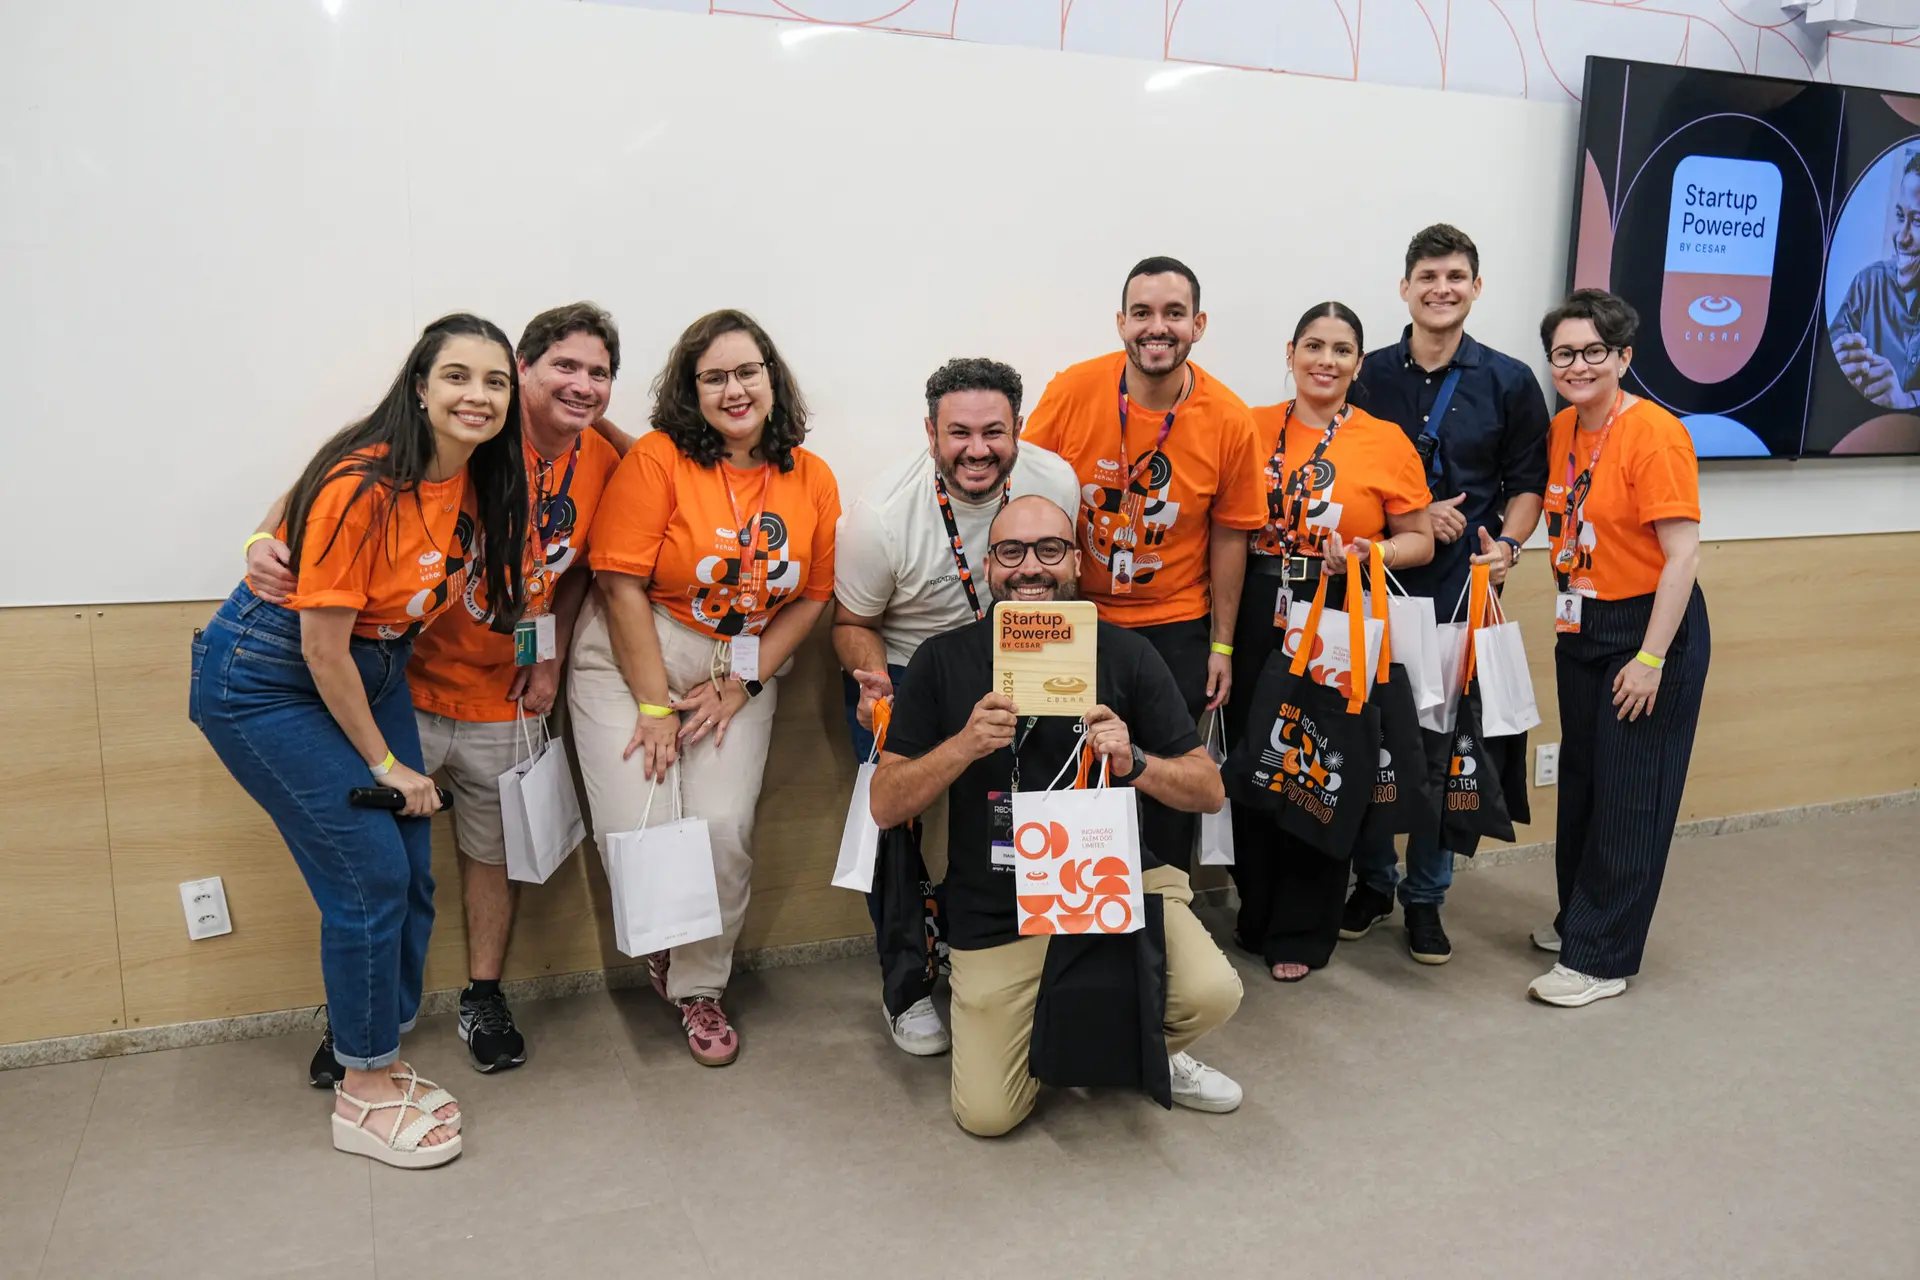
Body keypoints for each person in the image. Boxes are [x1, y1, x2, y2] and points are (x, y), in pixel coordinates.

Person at [193, 314, 530, 1168]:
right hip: (269, 680)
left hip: (374, 665)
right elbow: (320, 648)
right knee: (369, 875)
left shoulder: (478, 475)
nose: (478, 395)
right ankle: (364, 1089)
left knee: (409, 871)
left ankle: (375, 1047)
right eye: (457, 376)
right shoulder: (365, 478)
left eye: (495, 381)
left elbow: (300, 507)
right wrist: (387, 765)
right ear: (419, 386)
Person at [253, 303, 625, 1074]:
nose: (581, 384)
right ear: (522, 370)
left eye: (598, 372)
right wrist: (263, 537)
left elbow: (559, 577)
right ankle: (361, 1020)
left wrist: (545, 658)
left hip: (502, 699)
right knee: (380, 865)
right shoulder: (462, 437)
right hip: (402, 690)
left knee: (492, 853)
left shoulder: (606, 461)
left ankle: (482, 994)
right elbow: (327, 483)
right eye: (563, 365)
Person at [870, 495, 1244, 1136]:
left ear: (1076, 561)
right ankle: (1105, 1034)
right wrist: (963, 746)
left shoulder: (1125, 653)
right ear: (989, 566)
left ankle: (1149, 1047)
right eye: (1011, 552)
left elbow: (1208, 790)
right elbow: (884, 803)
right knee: (988, 1116)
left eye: (1049, 550)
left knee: (1213, 993)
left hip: (1114, 885)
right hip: (998, 906)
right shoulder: (943, 659)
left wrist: (1136, 762)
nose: (1030, 568)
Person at [569, 309, 841, 1065]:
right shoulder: (658, 459)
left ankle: (700, 988)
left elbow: (814, 596)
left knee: (723, 828)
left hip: (740, 664)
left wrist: (744, 686)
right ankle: (664, 941)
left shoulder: (812, 476)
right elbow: (619, 584)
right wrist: (654, 704)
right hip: (634, 653)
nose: (734, 390)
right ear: (691, 391)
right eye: (713, 377)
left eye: (747, 372)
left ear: (772, 379)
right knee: (643, 824)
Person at [832, 357, 1081, 1055]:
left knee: (1042, 795)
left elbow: (1064, 578)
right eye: (959, 433)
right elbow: (851, 622)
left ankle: (1035, 947)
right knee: (894, 823)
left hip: (1028, 650)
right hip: (912, 669)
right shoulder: (883, 515)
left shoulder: (1056, 482)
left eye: (994, 432)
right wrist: (872, 680)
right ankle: (907, 987)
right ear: (931, 433)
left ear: (1018, 428)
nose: (978, 450)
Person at [1344, 224, 1550, 964]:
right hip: (1372, 592)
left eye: (1455, 276)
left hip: (1460, 597)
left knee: (1444, 754)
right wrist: (1408, 519)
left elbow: (1529, 485)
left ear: (1476, 287)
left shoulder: (1510, 381)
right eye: (1428, 276)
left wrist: (1509, 548)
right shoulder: (1363, 373)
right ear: (1405, 288)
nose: (1442, 289)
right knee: (1371, 743)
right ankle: (1373, 881)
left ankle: (1426, 898)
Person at [1022, 256, 1267, 875]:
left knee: (1163, 783)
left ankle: (1161, 903)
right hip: (1075, 618)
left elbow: (1230, 537)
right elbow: (1025, 499)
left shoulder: (1230, 419)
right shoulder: (1073, 391)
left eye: (1174, 313)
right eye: (1143, 313)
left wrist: (1223, 645)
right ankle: (1066, 901)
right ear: (1121, 323)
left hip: (1174, 625)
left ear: (1198, 325)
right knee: (1061, 765)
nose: (1157, 327)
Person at [1229, 302, 1434, 982]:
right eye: (1313, 346)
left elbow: (1419, 538)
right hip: (1258, 605)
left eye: (1342, 350)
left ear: (1358, 362)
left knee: (1319, 761)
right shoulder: (1249, 426)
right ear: (1290, 353)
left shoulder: (1385, 440)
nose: (1326, 360)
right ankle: (1257, 909)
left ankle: (1302, 927)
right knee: (1260, 756)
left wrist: (1372, 552)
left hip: (1339, 608)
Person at [1529, 289, 1710, 1008]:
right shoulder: (1563, 427)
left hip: (1648, 628)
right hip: (1583, 620)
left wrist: (1651, 659)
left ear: (1623, 356)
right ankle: (1578, 920)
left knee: (1632, 793)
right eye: (1564, 354)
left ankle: (1601, 959)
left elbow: (1683, 555)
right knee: (1585, 781)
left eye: (1593, 351)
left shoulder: (1655, 434)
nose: (1577, 366)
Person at [1830, 152, 1920, 410]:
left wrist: (1907, 401)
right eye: (1900, 216)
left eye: (1917, 221)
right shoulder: (1867, 285)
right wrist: (1839, 365)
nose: (1901, 237)